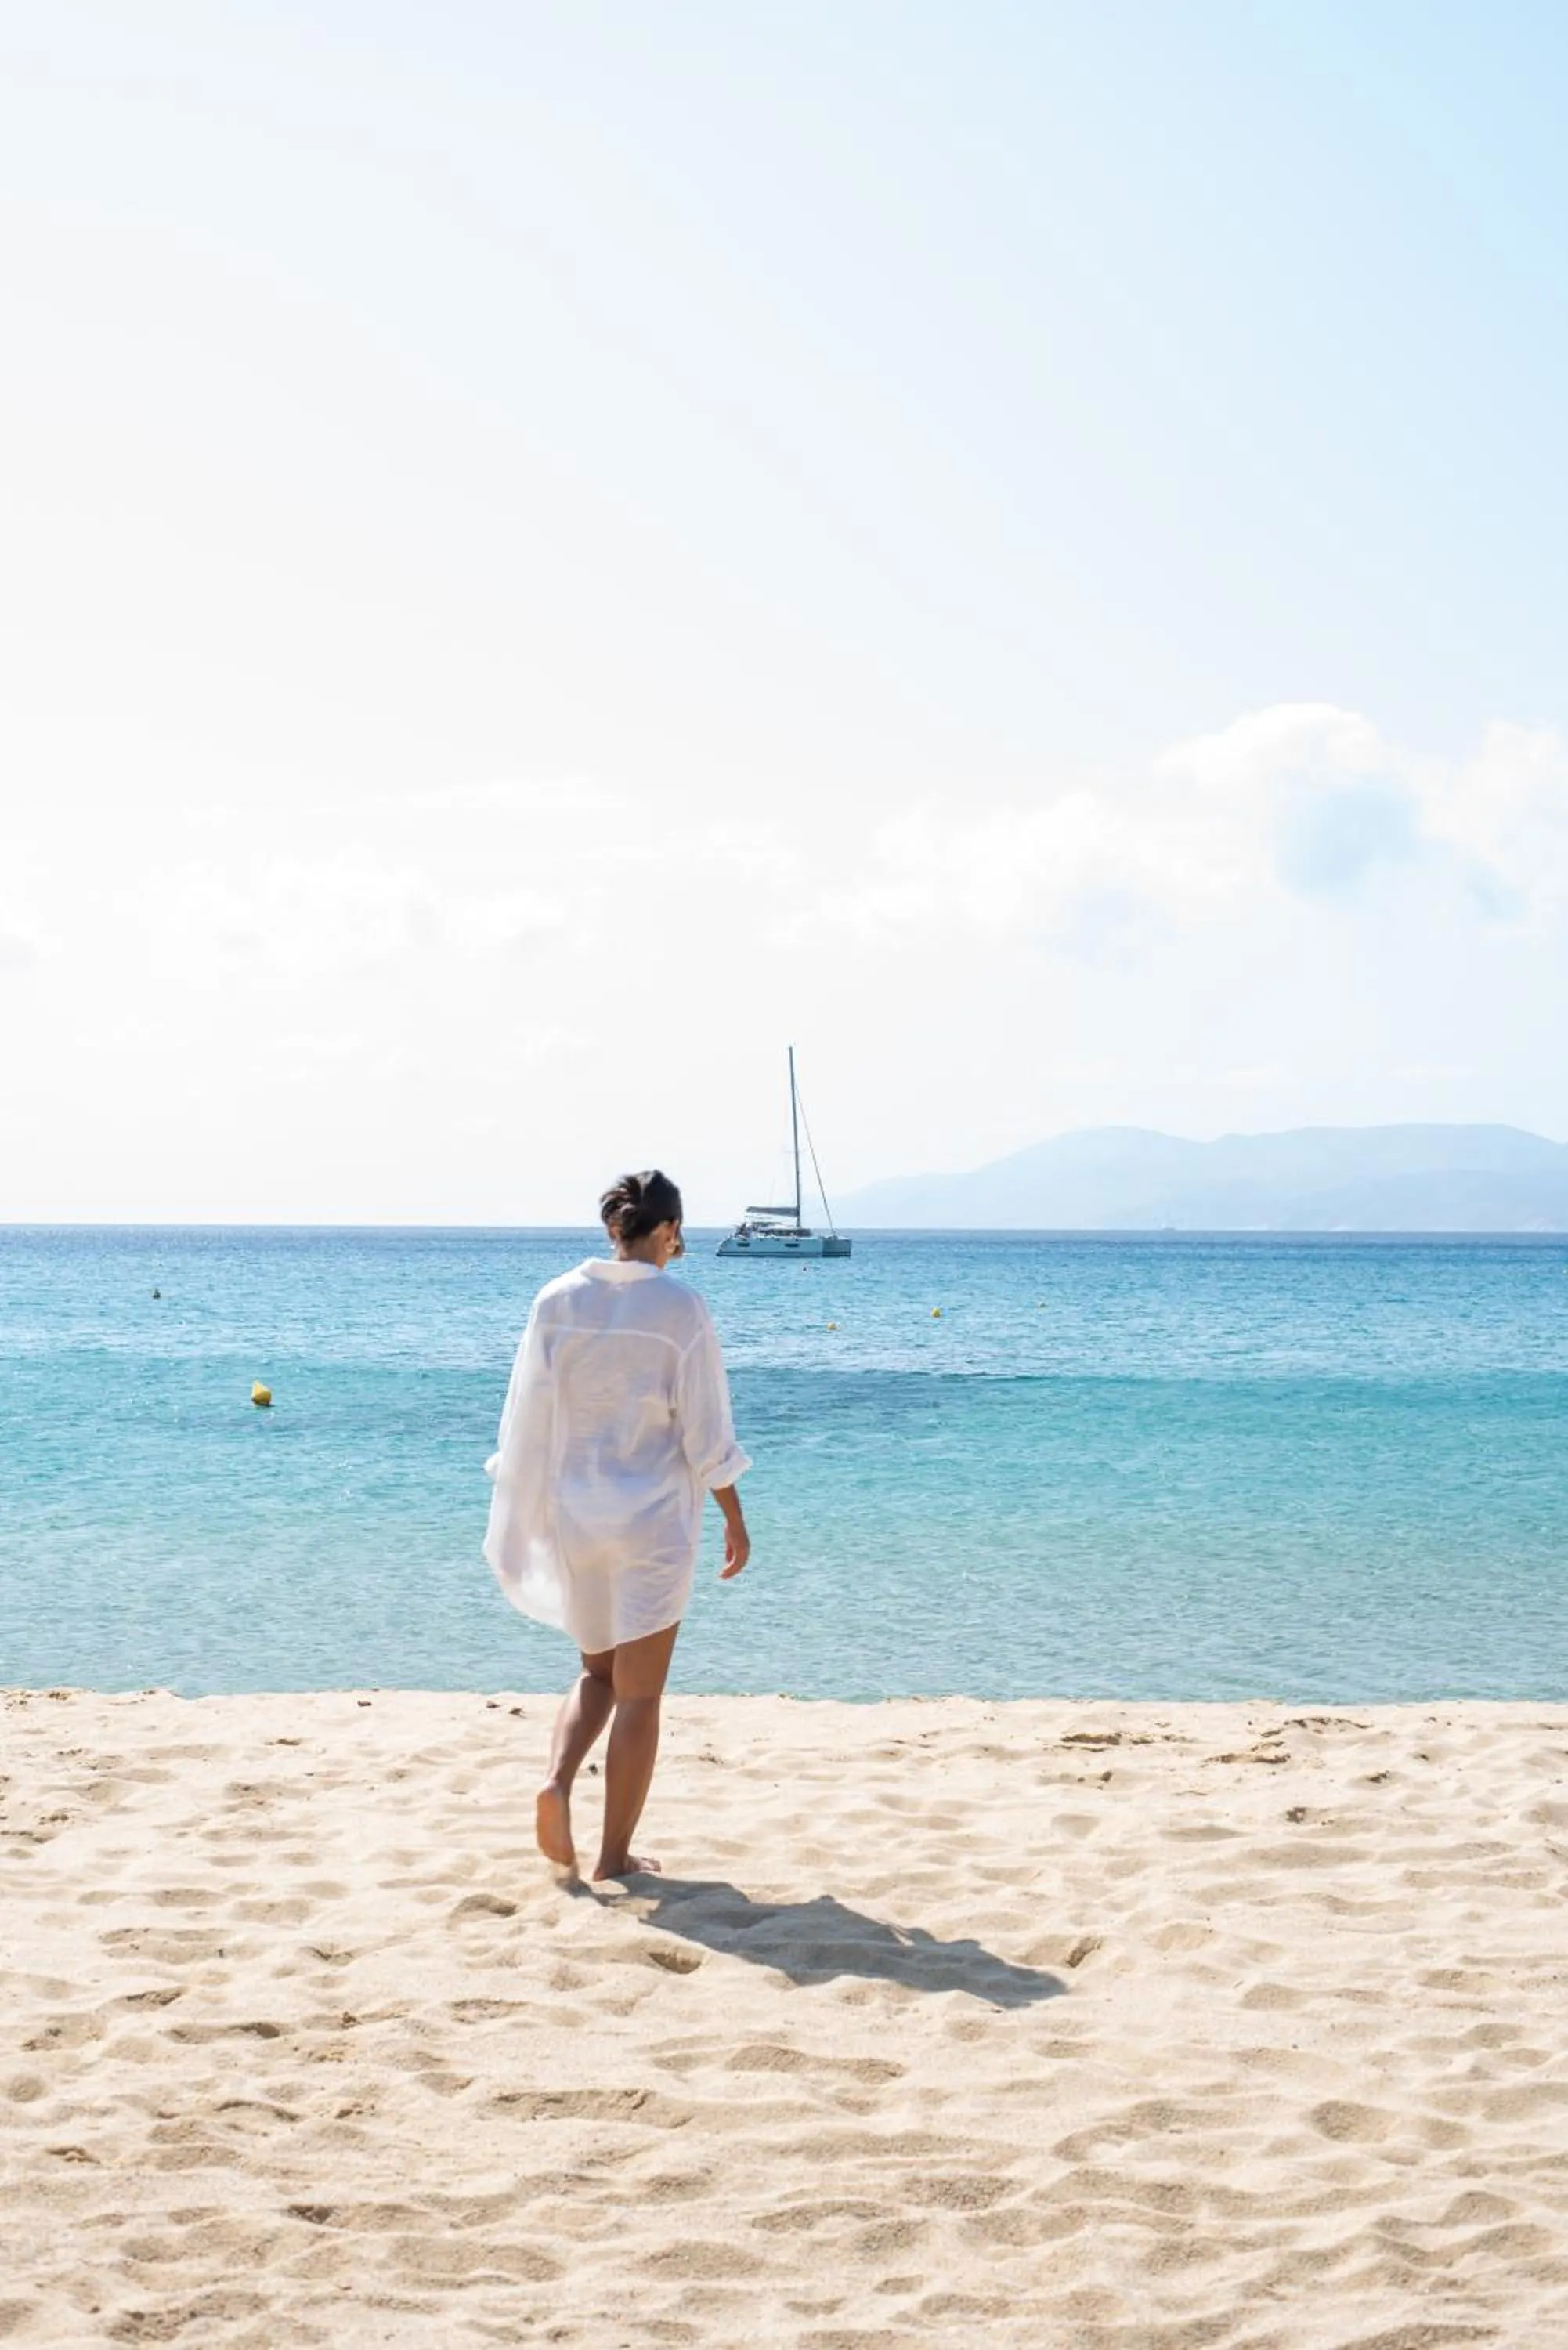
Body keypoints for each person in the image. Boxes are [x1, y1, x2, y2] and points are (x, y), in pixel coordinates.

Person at [483, 1170, 751, 1880]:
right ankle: (612, 1859)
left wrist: (522, 1502)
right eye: (677, 1236)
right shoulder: (680, 1308)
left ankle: (556, 1782)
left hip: (577, 1515)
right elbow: (705, 1431)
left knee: (596, 1673)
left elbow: (526, 1415)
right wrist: (734, 1515)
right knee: (641, 1693)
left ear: (614, 1228)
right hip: (652, 1522)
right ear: (668, 1230)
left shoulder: (556, 1299)